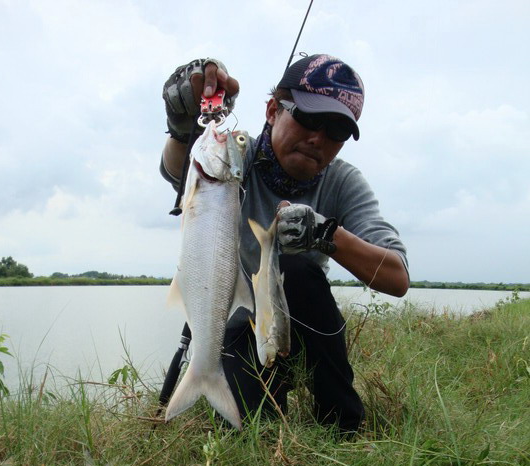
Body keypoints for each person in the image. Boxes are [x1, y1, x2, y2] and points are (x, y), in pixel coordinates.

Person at [160, 55, 409, 435]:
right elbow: (181, 169)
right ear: (273, 110)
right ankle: (254, 397)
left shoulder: (342, 182)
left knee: (296, 269)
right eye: (309, 118)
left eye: (336, 131)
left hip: (304, 328)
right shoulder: (232, 156)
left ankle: (342, 427)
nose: (318, 139)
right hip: (240, 326)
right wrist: (181, 127)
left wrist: (326, 235)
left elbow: (397, 278)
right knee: (249, 429)